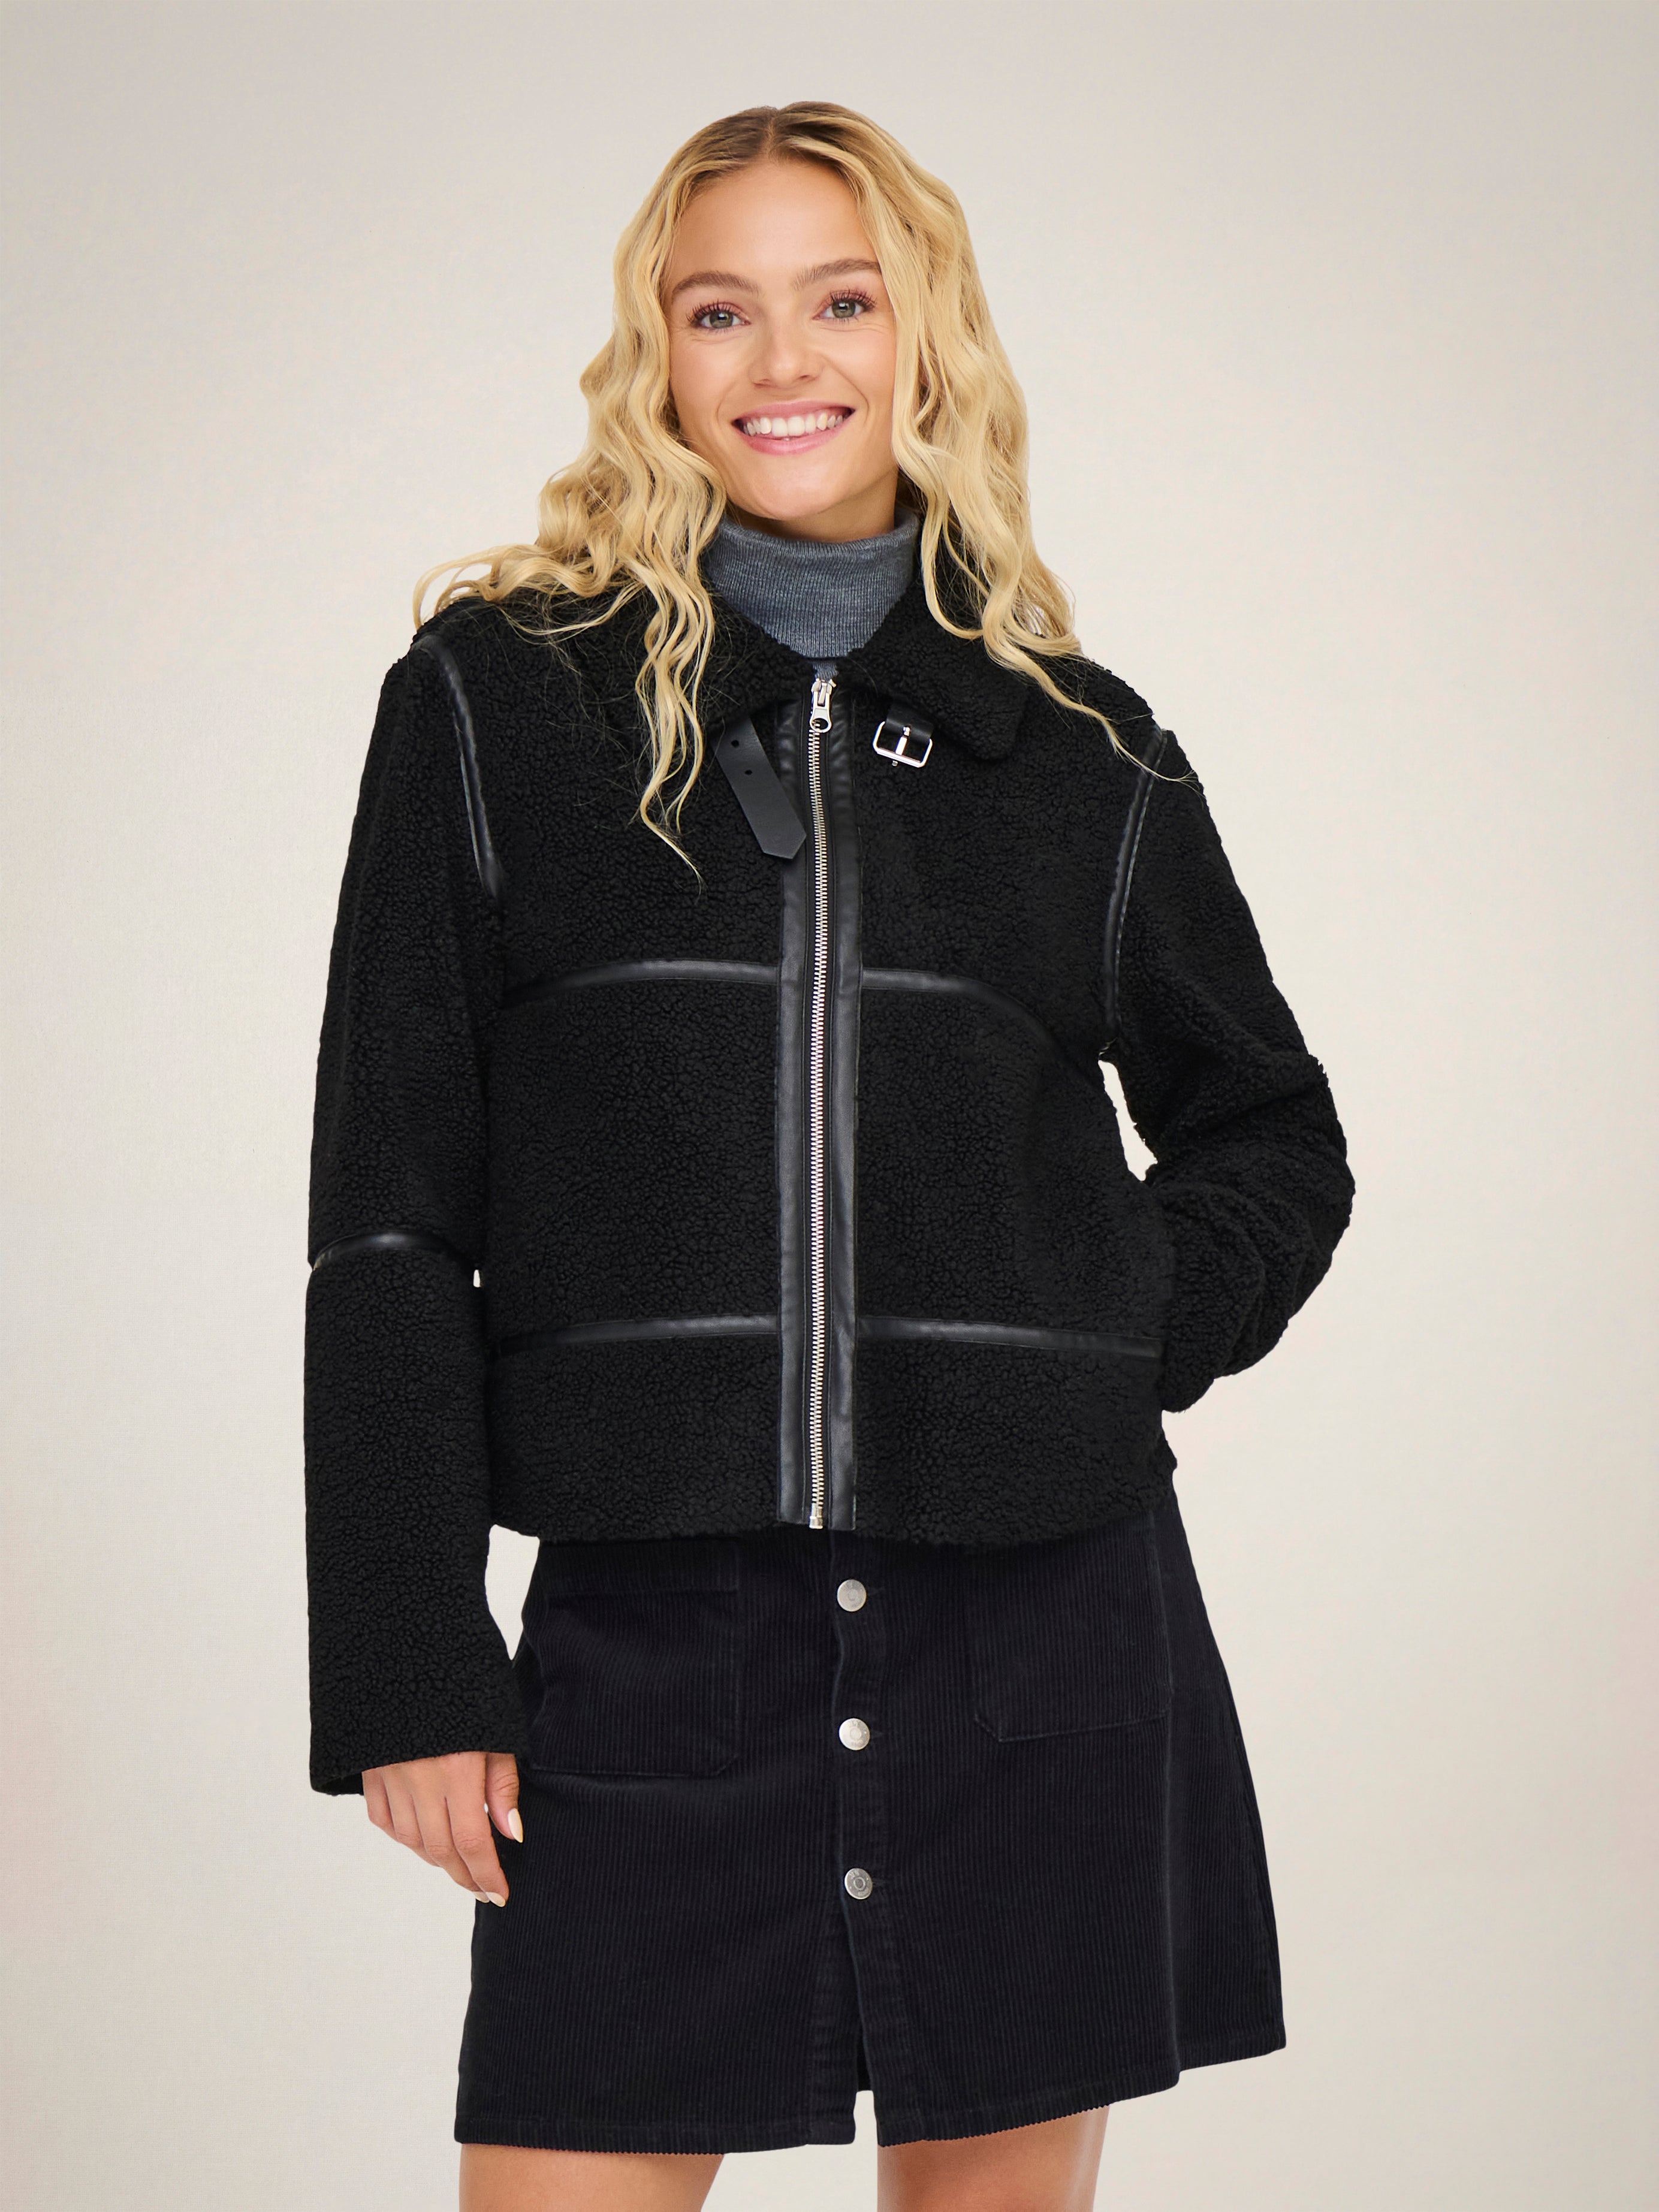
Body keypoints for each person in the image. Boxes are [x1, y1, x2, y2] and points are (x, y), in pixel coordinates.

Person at [303, 101, 1354, 2211]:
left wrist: (1101, 1331)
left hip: (1038, 1623)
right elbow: (391, 1219)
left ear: (924, 338)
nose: (785, 360)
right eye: (722, 311)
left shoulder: (1080, 751)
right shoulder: (500, 708)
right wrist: (408, 1652)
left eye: (842, 302)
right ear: (660, 355)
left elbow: (1271, 1130)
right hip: (654, 1639)